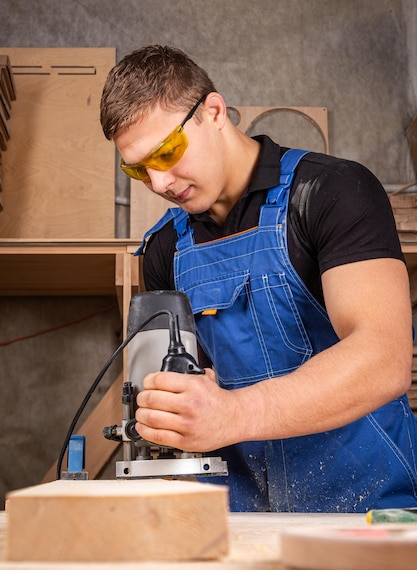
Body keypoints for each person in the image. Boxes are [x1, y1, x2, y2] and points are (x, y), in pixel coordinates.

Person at [100, 45, 417, 512]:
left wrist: (234, 414)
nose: (159, 182)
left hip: (362, 509)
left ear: (213, 111)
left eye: (167, 152)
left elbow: (383, 357)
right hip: (237, 521)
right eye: (137, 168)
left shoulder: (331, 192)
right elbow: (191, 387)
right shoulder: (166, 248)